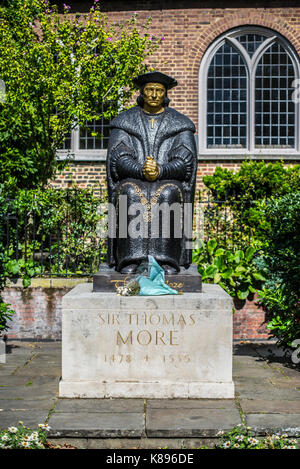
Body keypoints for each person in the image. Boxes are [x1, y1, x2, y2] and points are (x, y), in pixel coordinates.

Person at [106, 71, 197, 274]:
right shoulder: (125, 121)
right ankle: (131, 259)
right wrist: (140, 170)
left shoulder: (180, 123)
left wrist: (161, 170)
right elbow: (118, 157)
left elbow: (186, 160)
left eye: (159, 91)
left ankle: (166, 260)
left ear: (165, 94)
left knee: (167, 193)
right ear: (142, 93)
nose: (154, 95)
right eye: (149, 90)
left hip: (167, 178)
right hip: (133, 177)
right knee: (129, 191)